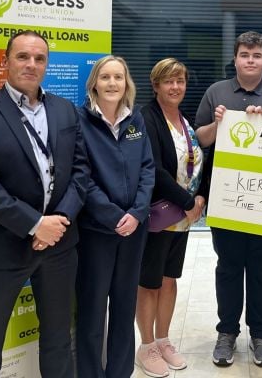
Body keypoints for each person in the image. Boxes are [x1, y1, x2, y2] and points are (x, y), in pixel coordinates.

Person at [0, 30, 89, 378]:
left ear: (46, 64)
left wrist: (58, 220)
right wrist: (35, 223)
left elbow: (80, 172)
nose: (32, 64)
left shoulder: (65, 110)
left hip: (59, 245)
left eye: (39, 58)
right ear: (6, 62)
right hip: (3, 246)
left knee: (59, 338)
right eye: (23, 57)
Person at [194, 31, 262, 367]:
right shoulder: (215, 92)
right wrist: (219, 124)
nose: (251, 60)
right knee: (229, 267)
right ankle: (227, 333)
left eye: (256, 55)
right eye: (245, 54)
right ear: (235, 59)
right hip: (226, 198)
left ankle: (260, 335)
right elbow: (200, 140)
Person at [75, 55, 155, 378]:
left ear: (126, 84)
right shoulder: (79, 121)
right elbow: (81, 177)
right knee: (92, 312)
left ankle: (120, 373)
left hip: (134, 231)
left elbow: (148, 169)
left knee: (124, 308)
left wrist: (136, 213)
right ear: (94, 82)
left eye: (118, 77)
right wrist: (112, 216)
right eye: (105, 77)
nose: (112, 83)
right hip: (97, 232)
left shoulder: (136, 120)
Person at [135, 58, 208, 377]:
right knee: (148, 283)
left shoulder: (182, 118)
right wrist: (189, 200)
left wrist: (199, 197)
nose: (176, 87)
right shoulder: (146, 117)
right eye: (169, 81)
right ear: (156, 85)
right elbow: (153, 168)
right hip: (159, 216)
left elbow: (196, 160)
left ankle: (164, 340)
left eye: (180, 81)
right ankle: (146, 345)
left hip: (181, 217)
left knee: (169, 279)